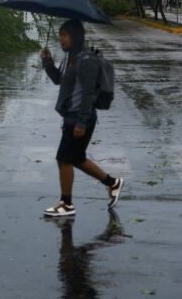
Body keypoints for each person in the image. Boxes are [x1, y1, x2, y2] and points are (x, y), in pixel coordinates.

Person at [40, 19, 123, 217]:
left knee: (64, 158)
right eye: (60, 34)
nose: (61, 38)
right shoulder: (70, 57)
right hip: (71, 116)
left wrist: (82, 122)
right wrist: (47, 61)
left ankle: (66, 204)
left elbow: (87, 93)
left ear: (76, 36)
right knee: (75, 158)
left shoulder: (86, 59)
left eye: (65, 34)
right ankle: (113, 183)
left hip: (80, 117)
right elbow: (58, 81)